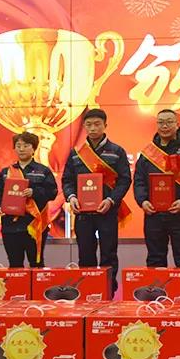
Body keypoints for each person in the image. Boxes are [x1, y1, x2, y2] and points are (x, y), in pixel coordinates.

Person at [62, 109, 132, 295]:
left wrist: (111, 200)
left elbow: (125, 180)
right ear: (84, 127)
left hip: (107, 210)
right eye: (89, 125)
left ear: (105, 125)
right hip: (83, 213)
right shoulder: (76, 153)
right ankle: (87, 289)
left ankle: (109, 290)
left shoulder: (117, 151)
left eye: (97, 124)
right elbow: (67, 180)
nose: (93, 128)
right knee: (85, 253)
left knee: (109, 253)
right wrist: (71, 197)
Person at [133, 109, 180, 268]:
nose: (164, 126)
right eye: (161, 122)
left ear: (177, 124)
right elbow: (139, 180)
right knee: (155, 257)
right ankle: (157, 285)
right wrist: (143, 201)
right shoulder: (147, 153)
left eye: (169, 122)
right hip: (153, 213)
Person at [0, 132, 58, 268]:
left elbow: (52, 192)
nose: (21, 149)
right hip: (10, 225)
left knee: (36, 263)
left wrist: (34, 192)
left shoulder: (43, 171)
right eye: (18, 146)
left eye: (26, 145)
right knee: (14, 264)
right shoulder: (6, 172)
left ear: (34, 149)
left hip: (34, 224)